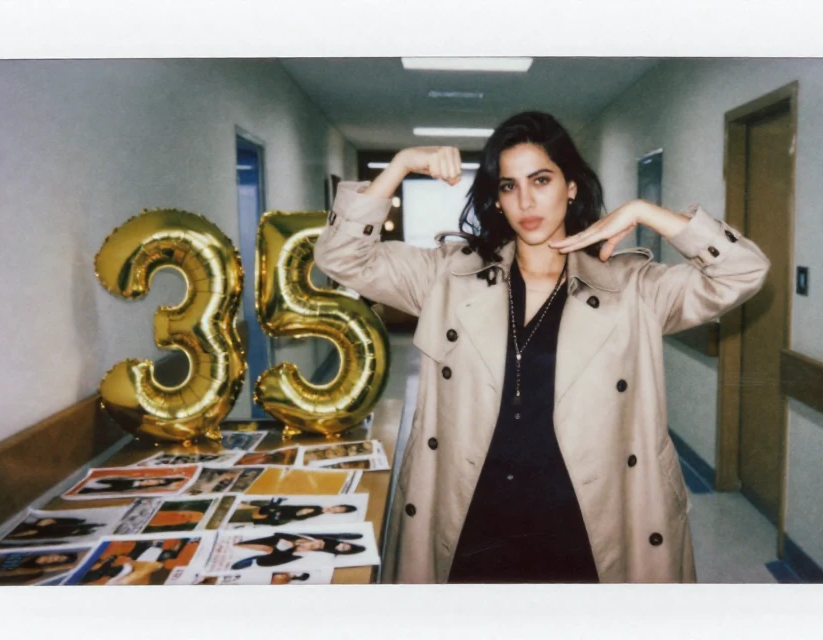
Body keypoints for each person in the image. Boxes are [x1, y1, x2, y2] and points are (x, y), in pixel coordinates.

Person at [314, 111, 770, 584]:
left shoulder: (633, 288)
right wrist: (400, 165)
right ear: (496, 197)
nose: (526, 200)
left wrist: (645, 212)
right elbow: (341, 256)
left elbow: (744, 271)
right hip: (472, 517)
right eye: (509, 186)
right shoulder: (448, 277)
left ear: (571, 187)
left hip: (586, 523)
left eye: (541, 179)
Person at [230, 532, 366, 569]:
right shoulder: (324, 538)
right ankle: (237, 545)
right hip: (280, 541)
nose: (340, 546)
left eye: (343, 549)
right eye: (343, 545)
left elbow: (297, 553)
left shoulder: (324, 552)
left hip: (280, 553)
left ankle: (237, 548)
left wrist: (300, 547)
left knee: (268, 550)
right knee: (269, 545)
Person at [243, 498, 358, 526]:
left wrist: (301, 513)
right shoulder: (317, 507)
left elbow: (298, 516)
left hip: (278, 517)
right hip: (278, 510)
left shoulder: (318, 512)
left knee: (250, 516)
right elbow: (296, 507)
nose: (337, 509)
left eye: (340, 510)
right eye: (340, 507)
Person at [76, 476, 184, 495]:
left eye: (157, 483)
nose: (153, 481)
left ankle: (87, 490)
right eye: (156, 480)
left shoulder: (133, 488)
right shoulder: (128, 481)